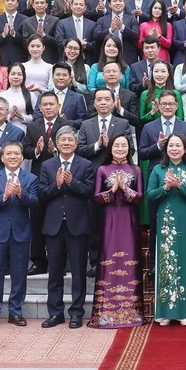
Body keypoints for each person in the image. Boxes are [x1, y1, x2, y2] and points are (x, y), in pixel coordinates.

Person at [39, 126, 96, 329]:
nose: (66, 143)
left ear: (76, 143)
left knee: (79, 272)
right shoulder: (47, 165)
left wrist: (72, 183)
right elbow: (42, 195)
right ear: (56, 142)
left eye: (70, 140)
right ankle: (55, 313)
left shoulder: (86, 164)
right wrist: (56, 184)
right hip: (54, 226)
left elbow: (90, 192)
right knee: (54, 272)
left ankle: (76, 313)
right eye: (62, 140)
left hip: (77, 225)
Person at [146, 133, 186, 325]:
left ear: (185, 148)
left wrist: (180, 186)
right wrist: (166, 188)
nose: (174, 149)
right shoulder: (158, 169)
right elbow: (150, 194)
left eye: (178, 145)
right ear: (166, 148)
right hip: (166, 219)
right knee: (167, 261)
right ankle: (166, 313)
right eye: (171, 145)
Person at [88, 133, 145, 329]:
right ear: (110, 148)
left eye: (124, 146)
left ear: (129, 149)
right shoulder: (102, 169)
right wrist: (113, 191)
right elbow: (96, 197)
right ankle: (105, 314)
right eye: (116, 146)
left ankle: (132, 313)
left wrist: (126, 190)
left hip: (128, 221)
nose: (120, 149)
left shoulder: (135, 169)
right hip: (109, 220)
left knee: (129, 261)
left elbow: (139, 198)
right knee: (109, 260)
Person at [0, 140, 39, 328]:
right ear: (2, 157)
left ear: (22, 157)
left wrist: (22, 194)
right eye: (9, 154)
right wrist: (5, 196)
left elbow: (35, 204)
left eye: (16, 153)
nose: (13, 157)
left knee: (19, 274)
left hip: (21, 233)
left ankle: (16, 311)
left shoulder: (30, 179)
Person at [138, 91, 186, 265]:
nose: (168, 107)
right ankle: (157, 263)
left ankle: (182, 261)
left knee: (180, 222)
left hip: (182, 179)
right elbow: (142, 153)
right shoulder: (149, 127)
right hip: (158, 178)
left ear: (177, 106)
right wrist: (158, 146)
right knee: (156, 222)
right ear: (158, 105)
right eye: (164, 104)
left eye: (171, 104)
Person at [77, 88, 131, 274]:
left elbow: (129, 148)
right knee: (95, 222)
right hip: (94, 180)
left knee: (118, 222)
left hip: (120, 180)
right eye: (99, 99)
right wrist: (98, 145)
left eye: (107, 99)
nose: (103, 103)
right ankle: (95, 262)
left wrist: (112, 147)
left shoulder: (123, 123)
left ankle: (119, 259)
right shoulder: (86, 125)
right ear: (94, 103)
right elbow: (81, 150)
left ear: (113, 101)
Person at [22, 91, 71, 275]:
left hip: (61, 176)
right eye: (45, 105)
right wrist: (37, 150)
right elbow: (25, 150)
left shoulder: (67, 125)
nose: (48, 107)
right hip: (38, 178)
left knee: (62, 220)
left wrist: (56, 151)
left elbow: (73, 148)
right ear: (40, 107)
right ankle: (38, 260)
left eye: (52, 104)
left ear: (58, 106)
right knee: (37, 219)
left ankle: (61, 261)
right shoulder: (33, 127)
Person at [92, 0, 140, 65]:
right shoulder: (101, 20)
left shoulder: (132, 19)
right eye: (115, 1)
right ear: (110, 5)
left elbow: (136, 36)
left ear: (124, 4)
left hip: (127, 58)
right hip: (107, 58)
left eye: (120, 1)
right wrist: (110, 30)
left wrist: (122, 27)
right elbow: (96, 36)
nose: (118, 3)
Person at [35, 63, 87, 129]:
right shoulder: (43, 96)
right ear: (52, 77)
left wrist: (66, 122)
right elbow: (36, 117)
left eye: (64, 75)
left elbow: (82, 120)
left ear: (70, 78)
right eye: (58, 75)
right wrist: (52, 121)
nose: (61, 78)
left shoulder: (78, 98)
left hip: (68, 135)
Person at [0, 0, 28, 66]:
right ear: (4, 3)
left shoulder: (25, 19)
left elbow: (27, 40)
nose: (10, 2)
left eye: (12, 0)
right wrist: (3, 35)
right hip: (1, 59)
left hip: (20, 58)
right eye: (7, 0)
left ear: (17, 3)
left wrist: (14, 34)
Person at [57, 0, 98, 65]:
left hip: (86, 60)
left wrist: (86, 45)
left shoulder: (92, 24)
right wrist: (75, 44)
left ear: (85, 8)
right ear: (71, 6)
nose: (78, 7)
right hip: (67, 60)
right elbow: (59, 40)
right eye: (76, 4)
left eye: (81, 5)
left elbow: (96, 43)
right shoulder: (62, 23)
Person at [21, 0, 60, 64]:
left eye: (42, 3)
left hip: (50, 59)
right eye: (37, 3)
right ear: (33, 5)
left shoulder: (55, 20)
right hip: (32, 59)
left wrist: (44, 35)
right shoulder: (27, 22)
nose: (39, 5)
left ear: (46, 5)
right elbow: (25, 42)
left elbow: (57, 41)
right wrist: (35, 39)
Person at [0, 63, 35, 133]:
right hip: (5, 133)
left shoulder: (30, 95)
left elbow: (35, 118)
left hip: (25, 133)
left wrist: (21, 116)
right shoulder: (1, 96)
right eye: (13, 74)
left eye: (19, 74)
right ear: (8, 76)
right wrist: (10, 117)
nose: (16, 77)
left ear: (24, 77)